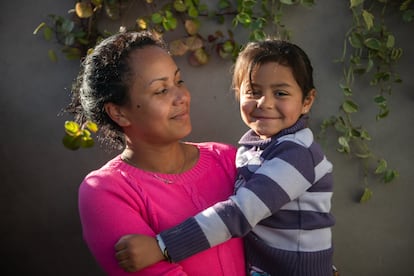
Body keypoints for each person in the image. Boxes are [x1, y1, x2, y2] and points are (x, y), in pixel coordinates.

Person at [115, 38, 336, 276]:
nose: (264, 103)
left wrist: (162, 246)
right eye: (253, 91)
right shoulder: (256, 147)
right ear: (238, 94)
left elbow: (241, 212)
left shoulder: (297, 154)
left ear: (307, 101)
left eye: (281, 93)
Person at [70, 30, 246, 275]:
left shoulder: (227, 159)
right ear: (119, 113)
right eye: (161, 90)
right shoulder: (106, 191)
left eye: (179, 81)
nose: (181, 97)